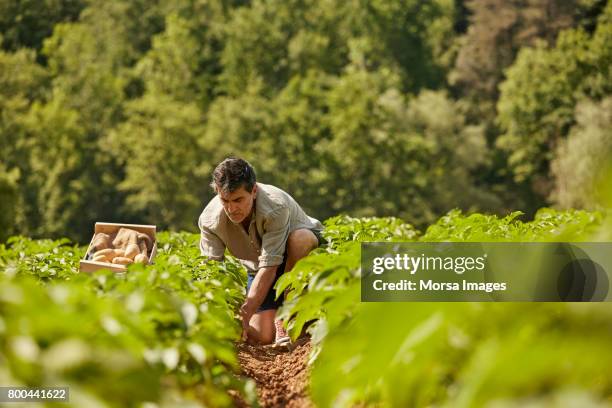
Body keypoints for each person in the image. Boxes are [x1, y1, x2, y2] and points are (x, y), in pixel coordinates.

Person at [198, 157, 325, 345]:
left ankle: (288, 314)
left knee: (300, 239)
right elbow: (210, 270)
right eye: (225, 200)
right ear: (217, 192)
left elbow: (271, 266)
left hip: (298, 258)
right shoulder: (210, 220)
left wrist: (245, 312)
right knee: (263, 336)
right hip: (259, 267)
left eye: (238, 200)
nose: (231, 208)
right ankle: (282, 318)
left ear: (254, 190)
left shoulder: (275, 207)